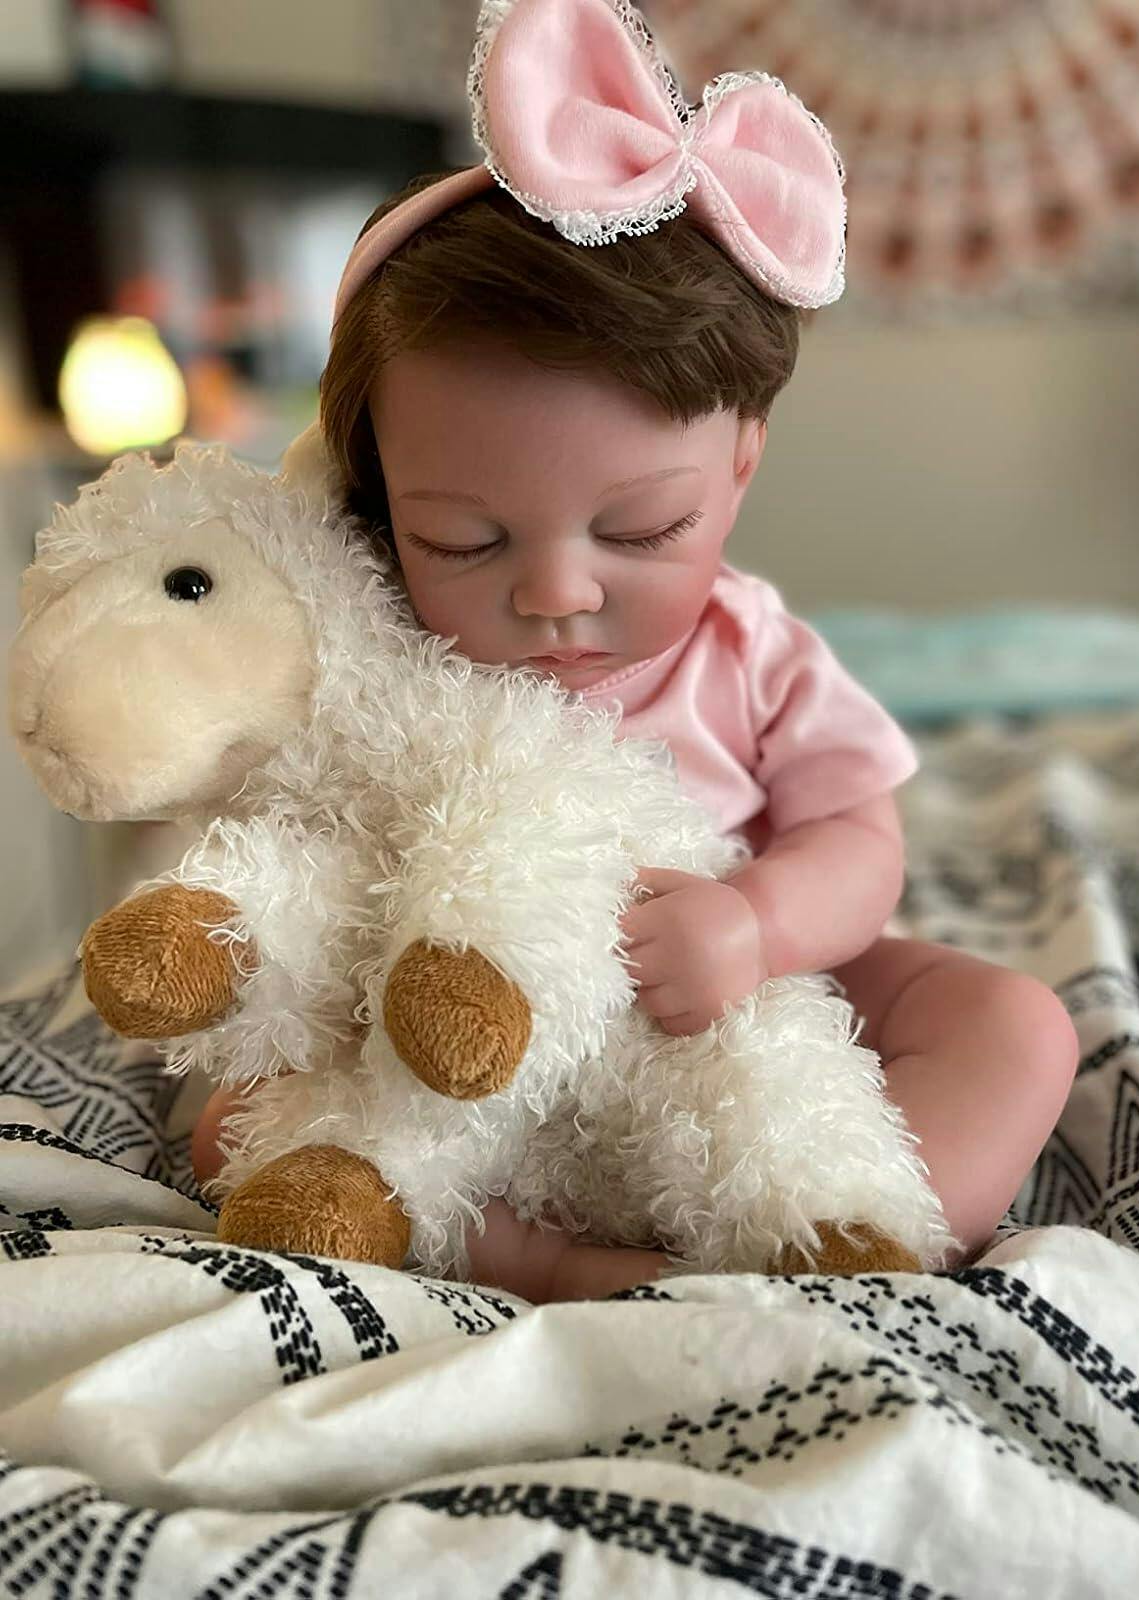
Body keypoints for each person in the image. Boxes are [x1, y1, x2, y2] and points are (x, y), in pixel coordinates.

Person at [193, 0, 1078, 1300]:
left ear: (741, 462)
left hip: (734, 1031)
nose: (556, 593)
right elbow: (307, 857)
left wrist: (759, 923)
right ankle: (541, 1260)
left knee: (1015, 1024)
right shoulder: (376, 661)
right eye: (461, 540)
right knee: (233, 1121)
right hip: (468, 1041)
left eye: (641, 530)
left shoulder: (750, 649)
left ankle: (849, 1233)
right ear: (377, 502)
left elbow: (859, 840)